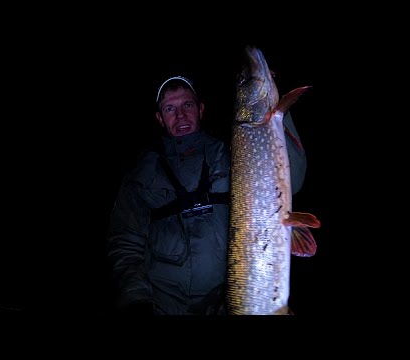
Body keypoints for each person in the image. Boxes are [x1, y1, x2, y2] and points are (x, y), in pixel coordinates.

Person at [106, 75, 307, 315]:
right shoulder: (140, 172)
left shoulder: (232, 153)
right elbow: (124, 242)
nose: (180, 115)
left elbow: (289, 182)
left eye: (187, 105)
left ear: (201, 109)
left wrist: (277, 115)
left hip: (230, 301)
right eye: (170, 108)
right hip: (162, 307)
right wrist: (136, 298)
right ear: (160, 118)